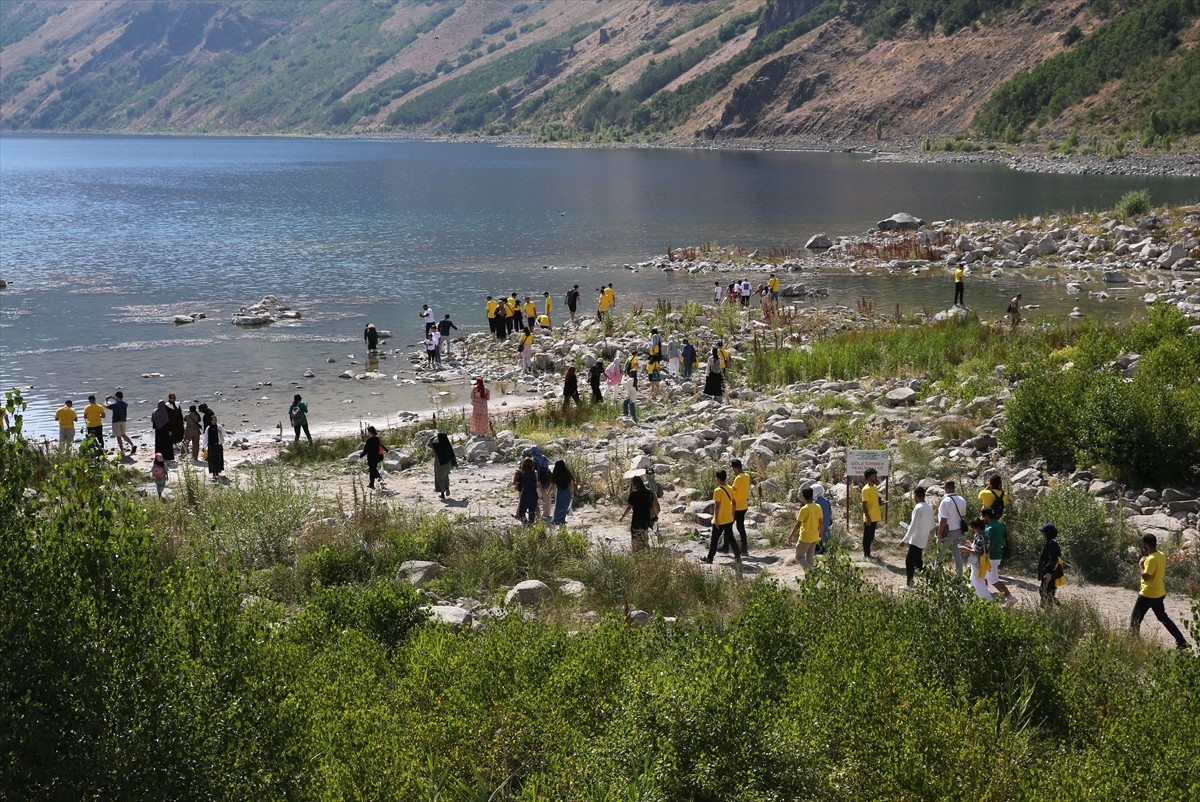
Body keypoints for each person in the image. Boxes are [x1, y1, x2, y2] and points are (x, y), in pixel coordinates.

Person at [1131, 534, 1189, 650]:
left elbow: (1146, 577)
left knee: (1135, 621)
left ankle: (1134, 646)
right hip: (1159, 593)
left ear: (1146, 545)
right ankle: (1181, 641)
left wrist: (1141, 565)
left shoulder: (1151, 559)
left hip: (1147, 594)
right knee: (1163, 618)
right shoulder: (1161, 555)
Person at [702, 469, 740, 564]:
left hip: (720, 519)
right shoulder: (730, 488)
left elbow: (717, 506)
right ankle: (738, 555)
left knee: (714, 539)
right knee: (731, 537)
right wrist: (733, 515)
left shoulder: (717, 490)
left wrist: (716, 520)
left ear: (718, 478)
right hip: (729, 518)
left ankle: (710, 558)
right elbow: (734, 503)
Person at [901, 486, 936, 587]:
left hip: (915, 539)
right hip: (923, 539)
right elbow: (932, 525)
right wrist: (924, 531)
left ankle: (909, 584)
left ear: (915, 496)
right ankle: (933, 579)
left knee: (909, 561)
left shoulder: (918, 508)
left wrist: (905, 540)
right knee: (918, 562)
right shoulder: (929, 509)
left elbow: (913, 526)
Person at [982, 507, 1014, 606]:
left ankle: (1009, 597)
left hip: (991, 556)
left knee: (994, 580)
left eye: (983, 517)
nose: (982, 519)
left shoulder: (990, 529)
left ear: (987, 516)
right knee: (984, 576)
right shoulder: (1001, 524)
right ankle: (984, 596)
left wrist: (984, 555)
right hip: (998, 554)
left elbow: (990, 544)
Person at [619, 473, 658, 553]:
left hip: (637, 516)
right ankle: (645, 548)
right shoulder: (649, 492)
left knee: (635, 533)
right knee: (644, 531)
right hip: (646, 516)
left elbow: (629, 506)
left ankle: (636, 550)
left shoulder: (634, 493)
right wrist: (656, 515)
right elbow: (653, 505)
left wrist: (623, 516)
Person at [788, 486, 824, 572]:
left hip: (805, 537)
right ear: (812, 495)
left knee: (799, 557)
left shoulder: (804, 509)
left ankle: (811, 572)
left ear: (803, 497)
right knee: (809, 558)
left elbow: (798, 524)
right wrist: (820, 534)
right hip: (815, 536)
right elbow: (821, 522)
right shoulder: (818, 506)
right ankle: (811, 580)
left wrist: (790, 536)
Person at [936, 479, 968, 572]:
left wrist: (939, 533)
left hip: (947, 531)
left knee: (940, 554)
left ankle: (937, 574)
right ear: (954, 488)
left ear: (945, 488)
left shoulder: (945, 501)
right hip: (958, 530)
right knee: (957, 554)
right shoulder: (962, 500)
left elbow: (943, 520)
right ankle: (959, 575)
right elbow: (963, 515)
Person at [961, 518, 993, 600]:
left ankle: (988, 599)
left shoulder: (979, 537)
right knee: (973, 580)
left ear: (977, 527)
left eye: (973, 527)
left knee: (978, 581)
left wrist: (965, 549)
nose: (972, 529)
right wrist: (971, 544)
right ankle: (967, 599)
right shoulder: (985, 536)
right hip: (982, 561)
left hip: (977, 562)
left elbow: (978, 552)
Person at [1036, 523, 1064, 609]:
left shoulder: (1052, 544)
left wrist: (1049, 573)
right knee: (1047, 592)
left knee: (1046, 592)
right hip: (1048, 573)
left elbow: (1053, 559)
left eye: (1043, 533)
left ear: (1048, 533)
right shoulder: (1050, 543)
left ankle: (1050, 612)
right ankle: (1060, 608)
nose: (1042, 535)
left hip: (1050, 574)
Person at [730, 459, 751, 557]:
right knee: (740, 527)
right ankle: (744, 549)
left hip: (736, 506)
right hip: (744, 505)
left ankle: (727, 547)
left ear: (735, 468)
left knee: (728, 526)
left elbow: (732, 490)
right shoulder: (747, 476)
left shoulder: (738, 478)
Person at [860, 468, 882, 558]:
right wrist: (868, 518)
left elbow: (873, 500)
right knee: (867, 537)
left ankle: (868, 553)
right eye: (873, 476)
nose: (876, 477)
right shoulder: (865, 489)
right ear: (868, 478)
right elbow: (864, 505)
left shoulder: (874, 487)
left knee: (871, 536)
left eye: (876, 475)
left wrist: (880, 502)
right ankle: (866, 554)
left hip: (875, 516)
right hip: (869, 517)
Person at [429, 431, 458, 500]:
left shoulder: (436, 445)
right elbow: (452, 454)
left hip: (440, 464)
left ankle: (442, 494)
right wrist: (455, 463)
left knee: (439, 478)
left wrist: (434, 437)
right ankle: (447, 487)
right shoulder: (447, 446)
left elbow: (429, 443)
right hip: (448, 463)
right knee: (445, 476)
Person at [105, 390, 135, 456]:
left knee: (118, 437)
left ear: (117, 397)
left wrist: (106, 400)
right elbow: (119, 403)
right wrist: (115, 399)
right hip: (123, 420)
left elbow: (106, 406)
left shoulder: (115, 405)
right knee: (123, 434)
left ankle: (122, 451)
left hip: (116, 421)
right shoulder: (125, 404)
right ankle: (132, 445)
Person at [513, 457, 540, 525]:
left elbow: (515, 483)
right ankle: (531, 524)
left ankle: (525, 524)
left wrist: (516, 474)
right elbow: (537, 484)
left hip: (525, 493)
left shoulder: (521, 473)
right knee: (532, 512)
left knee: (522, 512)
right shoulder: (535, 472)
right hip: (534, 494)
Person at [551, 460, 575, 526]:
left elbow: (553, 485)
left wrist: (548, 493)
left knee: (558, 508)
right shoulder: (568, 474)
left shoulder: (556, 475)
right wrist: (572, 494)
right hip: (567, 494)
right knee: (564, 508)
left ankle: (559, 522)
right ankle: (562, 523)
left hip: (559, 494)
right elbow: (572, 485)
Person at [202, 415, 225, 481]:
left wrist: (221, 432)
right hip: (211, 446)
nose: (214, 421)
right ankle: (214, 473)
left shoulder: (219, 427)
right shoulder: (208, 428)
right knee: (212, 459)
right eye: (213, 420)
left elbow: (224, 434)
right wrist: (203, 446)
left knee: (219, 458)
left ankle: (218, 472)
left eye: (215, 420)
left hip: (218, 445)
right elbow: (206, 438)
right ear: (211, 421)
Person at [361, 425, 385, 490]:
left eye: (368, 431)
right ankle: (371, 484)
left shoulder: (369, 440)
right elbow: (382, 446)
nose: (368, 433)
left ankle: (380, 480)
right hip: (377, 457)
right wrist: (387, 450)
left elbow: (366, 450)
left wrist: (361, 455)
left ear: (370, 432)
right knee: (372, 469)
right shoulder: (377, 439)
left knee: (373, 469)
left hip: (371, 457)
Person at [813, 483, 833, 554]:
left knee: (817, 539)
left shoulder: (815, 502)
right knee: (825, 538)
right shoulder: (826, 501)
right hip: (826, 522)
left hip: (818, 524)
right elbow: (830, 512)